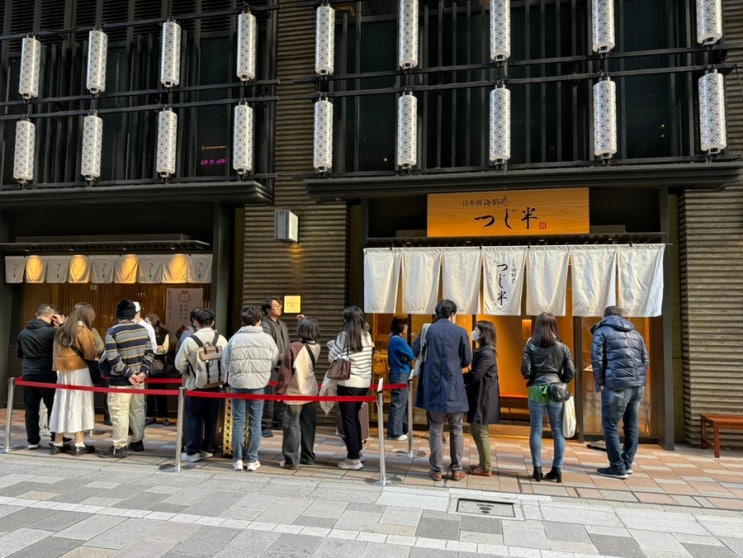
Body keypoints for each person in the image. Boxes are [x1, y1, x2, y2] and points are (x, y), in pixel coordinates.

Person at [413, 299, 472, 482]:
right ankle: (457, 469)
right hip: (454, 387)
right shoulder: (461, 332)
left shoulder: (428, 330)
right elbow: (467, 359)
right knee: (457, 429)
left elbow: (414, 350)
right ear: (453, 314)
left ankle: (437, 469)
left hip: (433, 387)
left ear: (437, 313)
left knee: (436, 429)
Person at [591, 305, 649, 480]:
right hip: (637, 385)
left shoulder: (602, 331)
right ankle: (627, 463)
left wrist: (601, 382)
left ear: (604, 316)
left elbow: (596, 359)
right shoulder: (636, 333)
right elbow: (645, 359)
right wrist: (638, 379)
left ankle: (617, 467)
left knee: (610, 425)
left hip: (615, 384)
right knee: (631, 425)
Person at [222, 305, 278, 472]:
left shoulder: (234, 339)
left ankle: (237, 460)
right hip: (258, 384)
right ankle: (252, 459)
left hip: (237, 383)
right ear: (259, 320)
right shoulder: (267, 339)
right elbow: (274, 359)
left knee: (238, 421)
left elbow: (226, 361)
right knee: (255, 422)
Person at [521, 312, 575, 483]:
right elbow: (571, 372)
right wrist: (560, 380)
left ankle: (537, 469)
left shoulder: (531, 345)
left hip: (537, 387)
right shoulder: (563, 347)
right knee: (557, 431)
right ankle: (557, 469)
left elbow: (525, 370)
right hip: (555, 388)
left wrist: (532, 376)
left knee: (536, 430)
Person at [100, 299, 154, 458]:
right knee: (137, 410)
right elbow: (150, 353)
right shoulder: (143, 330)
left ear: (118, 314)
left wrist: (128, 374)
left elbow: (113, 357)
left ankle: (119, 446)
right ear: (132, 314)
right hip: (139, 381)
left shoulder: (112, 331)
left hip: (120, 380)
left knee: (119, 412)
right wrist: (142, 372)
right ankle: (137, 441)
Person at [175, 307, 228, 463]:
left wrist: (189, 370)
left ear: (195, 322)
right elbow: (227, 361)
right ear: (213, 322)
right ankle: (207, 448)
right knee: (211, 419)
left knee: (194, 419)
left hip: (195, 386)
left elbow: (179, 364)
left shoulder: (190, 341)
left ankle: (193, 451)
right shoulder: (221, 339)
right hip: (215, 385)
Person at [49, 302, 99, 456]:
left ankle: (57, 443)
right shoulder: (83, 330)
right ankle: (79, 443)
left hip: (63, 373)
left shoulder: (62, 329)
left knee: (62, 404)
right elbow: (90, 354)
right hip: (79, 371)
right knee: (79, 403)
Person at [328, 306, 373, 470]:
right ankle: (357, 452)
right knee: (354, 417)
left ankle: (353, 459)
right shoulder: (367, 336)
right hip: (364, 384)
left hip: (348, 383)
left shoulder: (344, 336)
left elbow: (332, 357)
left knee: (348, 420)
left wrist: (332, 345)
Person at [16, 303, 64, 450]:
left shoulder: (23, 333)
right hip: (46, 374)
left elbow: (19, 354)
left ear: (37, 315)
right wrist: (60, 326)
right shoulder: (51, 333)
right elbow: (63, 347)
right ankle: (55, 437)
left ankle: (32, 440)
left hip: (28, 374)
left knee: (31, 408)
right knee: (52, 406)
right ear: (51, 316)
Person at [276, 317, 321, 469]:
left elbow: (285, 373)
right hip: (310, 390)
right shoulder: (317, 346)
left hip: (294, 391)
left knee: (292, 426)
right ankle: (308, 457)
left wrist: (279, 391)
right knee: (308, 425)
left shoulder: (293, 347)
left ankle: (291, 460)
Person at [464, 320, 501, 476]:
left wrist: (459, 378)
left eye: (476, 330)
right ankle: (483, 463)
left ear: (484, 333)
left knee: (480, 431)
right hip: (480, 395)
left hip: (483, 397)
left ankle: (486, 467)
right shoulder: (484, 350)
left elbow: (475, 375)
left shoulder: (486, 353)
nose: (474, 332)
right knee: (475, 429)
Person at [260, 297, 289, 437]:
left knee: (281, 393)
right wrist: (281, 357)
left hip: (283, 365)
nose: (279, 308)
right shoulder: (265, 325)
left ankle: (277, 420)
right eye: (276, 306)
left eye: (280, 306)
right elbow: (269, 347)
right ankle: (265, 425)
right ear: (268, 309)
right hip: (272, 366)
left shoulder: (282, 324)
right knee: (269, 396)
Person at [386, 315, 415, 441]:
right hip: (400, 374)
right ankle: (395, 432)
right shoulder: (398, 340)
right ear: (400, 326)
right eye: (405, 324)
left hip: (396, 373)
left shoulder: (393, 338)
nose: (407, 327)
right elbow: (411, 354)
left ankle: (400, 429)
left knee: (400, 403)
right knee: (399, 403)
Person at [145, 313, 171, 426]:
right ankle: (151, 416)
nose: (145, 324)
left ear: (153, 322)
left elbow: (165, 349)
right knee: (150, 393)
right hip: (148, 365)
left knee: (162, 393)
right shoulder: (145, 332)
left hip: (160, 365)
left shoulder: (164, 332)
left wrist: (153, 349)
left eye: (147, 322)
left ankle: (164, 416)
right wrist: (156, 348)